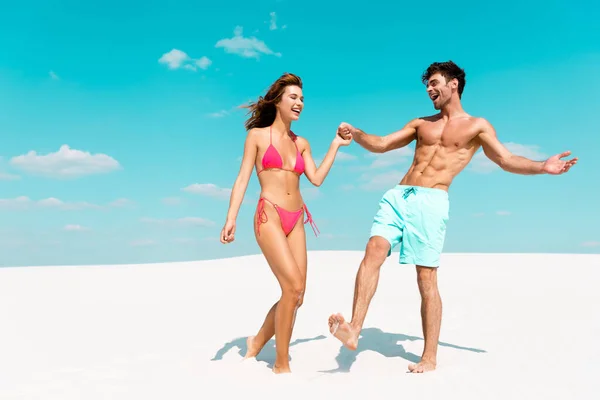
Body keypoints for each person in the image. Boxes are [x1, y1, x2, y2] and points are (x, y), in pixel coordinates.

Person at [328, 61, 578, 373]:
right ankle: (354, 328)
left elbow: (505, 158)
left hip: (431, 202)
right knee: (374, 249)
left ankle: (429, 357)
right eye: (427, 86)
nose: (430, 90)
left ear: (453, 84)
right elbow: (382, 144)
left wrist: (542, 166)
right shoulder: (421, 123)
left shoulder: (477, 126)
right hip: (398, 196)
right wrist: (358, 133)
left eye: (434, 83)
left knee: (426, 278)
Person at [220, 72, 352, 374]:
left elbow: (315, 179)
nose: (299, 103)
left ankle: (256, 343)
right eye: (293, 97)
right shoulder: (256, 136)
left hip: (297, 218)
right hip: (270, 215)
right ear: (277, 101)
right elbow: (242, 178)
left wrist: (335, 145)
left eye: (302, 99)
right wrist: (231, 218)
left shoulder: (301, 143)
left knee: (297, 294)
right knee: (291, 287)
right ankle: (281, 364)